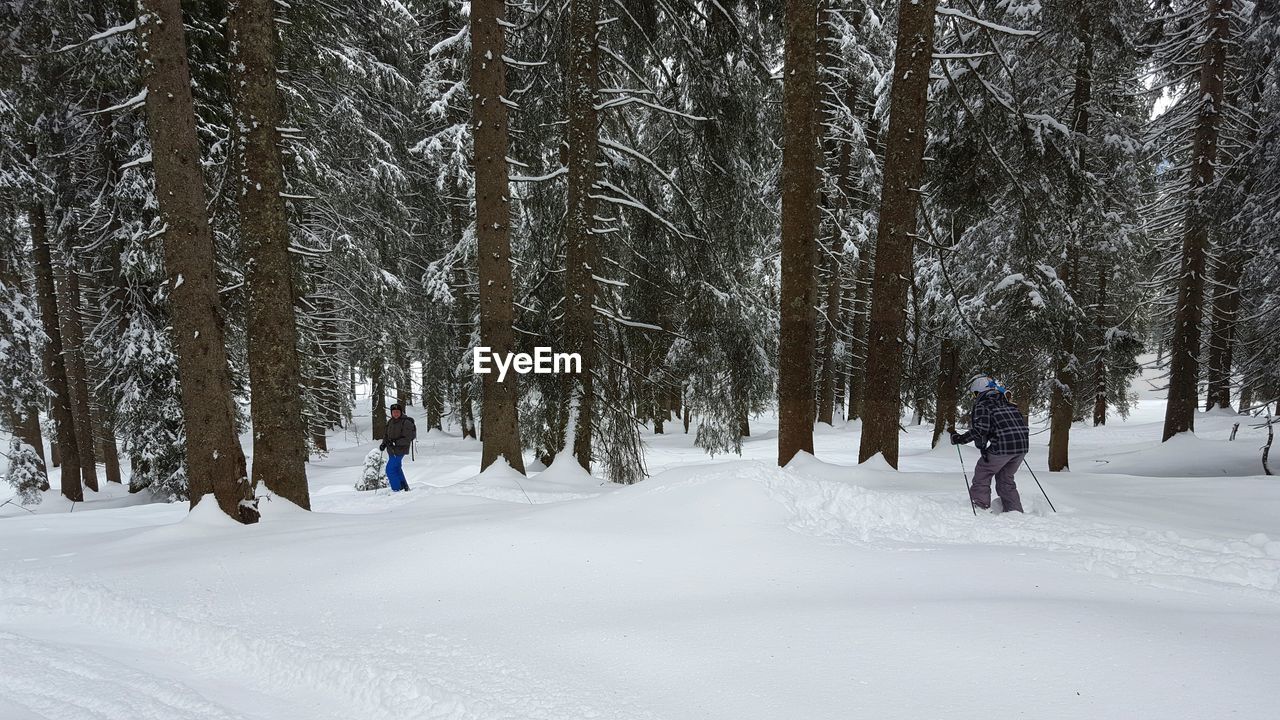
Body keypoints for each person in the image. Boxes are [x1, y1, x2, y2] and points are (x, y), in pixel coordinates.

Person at [950, 375, 1027, 513]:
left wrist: (960, 439)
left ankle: (980, 507)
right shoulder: (1007, 402)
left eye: (975, 393)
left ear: (979, 391)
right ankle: (1015, 512)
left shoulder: (983, 405)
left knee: (983, 472)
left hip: (1003, 447)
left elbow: (981, 429)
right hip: (1022, 446)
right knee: (1005, 478)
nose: (975, 396)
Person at [379, 403, 416, 492]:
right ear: (391, 413)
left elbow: (408, 438)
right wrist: (384, 444)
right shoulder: (390, 422)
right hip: (391, 450)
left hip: (400, 450)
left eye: (397, 412)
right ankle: (404, 487)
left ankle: (397, 489)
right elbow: (386, 435)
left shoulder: (406, 422)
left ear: (401, 412)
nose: (395, 414)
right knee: (396, 468)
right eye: (394, 412)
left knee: (390, 470)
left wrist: (395, 442)